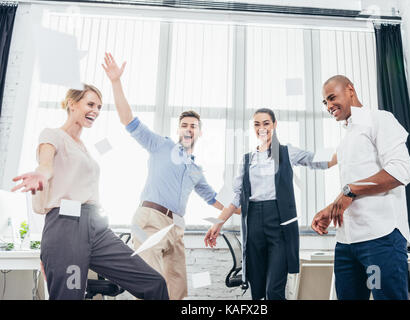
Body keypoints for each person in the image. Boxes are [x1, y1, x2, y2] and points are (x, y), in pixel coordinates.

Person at [11, 84, 168, 300]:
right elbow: (46, 164)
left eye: (100, 107)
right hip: (66, 228)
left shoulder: (84, 147)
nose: (95, 110)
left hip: (97, 228)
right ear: (72, 104)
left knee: (153, 283)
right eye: (90, 104)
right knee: (69, 296)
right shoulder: (53, 135)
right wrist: (41, 173)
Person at [102, 53, 231, 300]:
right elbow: (128, 120)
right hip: (151, 219)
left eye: (193, 126)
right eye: (185, 125)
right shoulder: (161, 145)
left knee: (177, 289)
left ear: (200, 133)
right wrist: (116, 83)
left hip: (176, 228)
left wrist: (241, 208)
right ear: (178, 130)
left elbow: (213, 199)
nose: (188, 129)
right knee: (152, 283)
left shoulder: (196, 170)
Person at [204, 108, 336, 300]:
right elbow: (237, 196)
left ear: (274, 125)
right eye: (257, 124)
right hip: (254, 223)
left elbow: (317, 160)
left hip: (280, 223)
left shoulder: (287, 152)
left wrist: (343, 152)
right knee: (257, 291)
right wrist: (218, 223)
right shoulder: (248, 159)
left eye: (266, 123)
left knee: (274, 290)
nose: (261, 128)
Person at [311, 75, 410, 300]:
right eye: (324, 102)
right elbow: (354, 188)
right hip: (346, 243)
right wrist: (332, 208)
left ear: (350, 90)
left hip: (380, 239)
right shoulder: (346, 140)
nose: (328, 106)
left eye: (331, 98)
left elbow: (401, 171)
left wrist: (350, 191)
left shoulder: (380, 119)